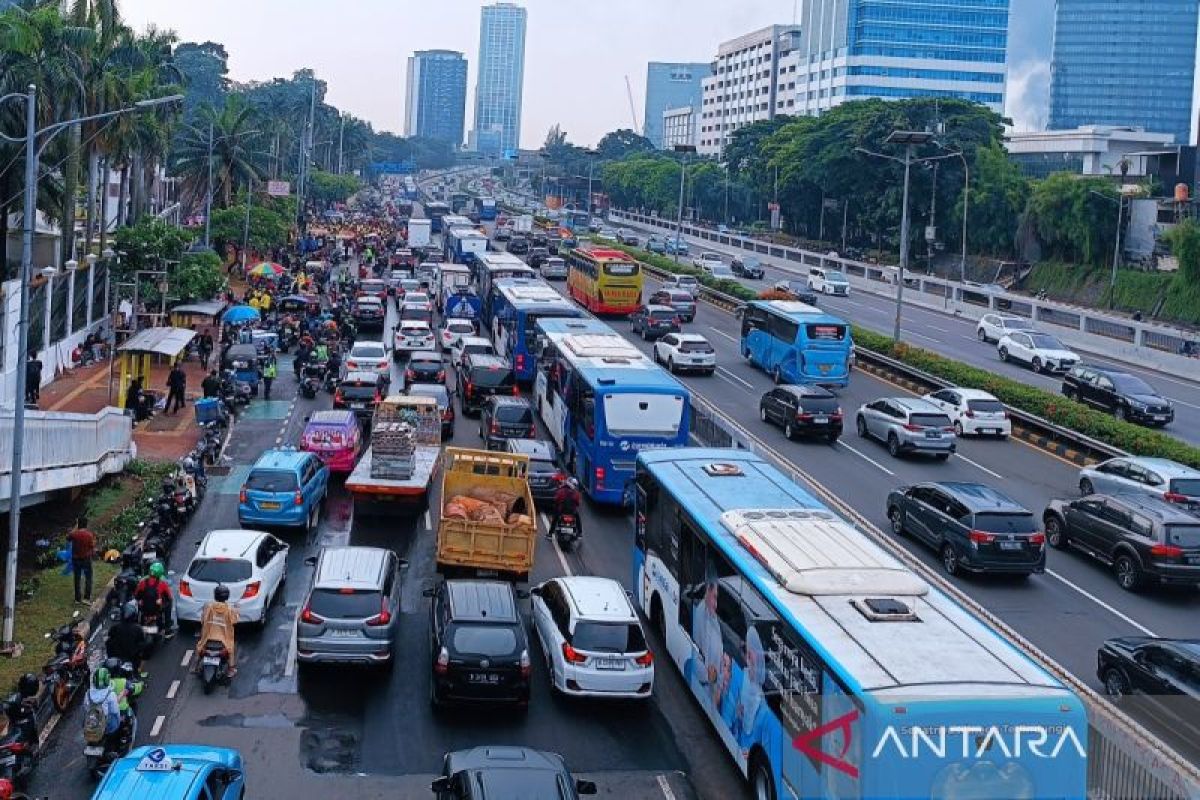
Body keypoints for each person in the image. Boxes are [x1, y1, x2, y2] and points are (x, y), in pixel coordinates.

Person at [193, 584, 239, 677]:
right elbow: (235, 621)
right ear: (227, 596)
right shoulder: (229, 609)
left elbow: (203, 620)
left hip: (208, 637)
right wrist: (237, 610)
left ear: (215, 595)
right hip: (224, 639)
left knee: (200, 646)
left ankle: (195, 666)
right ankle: (231, 669)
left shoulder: (209, 607)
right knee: (230, 648)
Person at [135, 562, 175, 638]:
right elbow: (169, 597)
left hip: (144, 609)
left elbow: (136, 595)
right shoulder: (163, 583)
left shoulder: (142, 582)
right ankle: (167, 630)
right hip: (157, 609)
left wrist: (141, 600)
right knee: (170, 603)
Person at [106, 602, 147, 676]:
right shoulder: (137, 629)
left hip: (118, 659)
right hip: (131, 659)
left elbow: (109, 640)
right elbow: (142, 645)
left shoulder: (115, 628)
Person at [84, 665, 122, 745]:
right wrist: (119, 721)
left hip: (93, 722)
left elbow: (86, 708)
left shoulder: (88, 693)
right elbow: (115, 711)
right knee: (117, 722)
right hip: (108, 725)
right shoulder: (110, 694)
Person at [67, 516, 96, 604]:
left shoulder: (74, 534)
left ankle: (77, 599)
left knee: (77, 578)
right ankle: (86, 598)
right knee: (88, 578)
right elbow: (92, 546)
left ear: (78, 524)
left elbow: (68, 538)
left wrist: (75, 527)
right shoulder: (89, 535)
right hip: (86, 559)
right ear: (86, 525)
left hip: (76, 559)